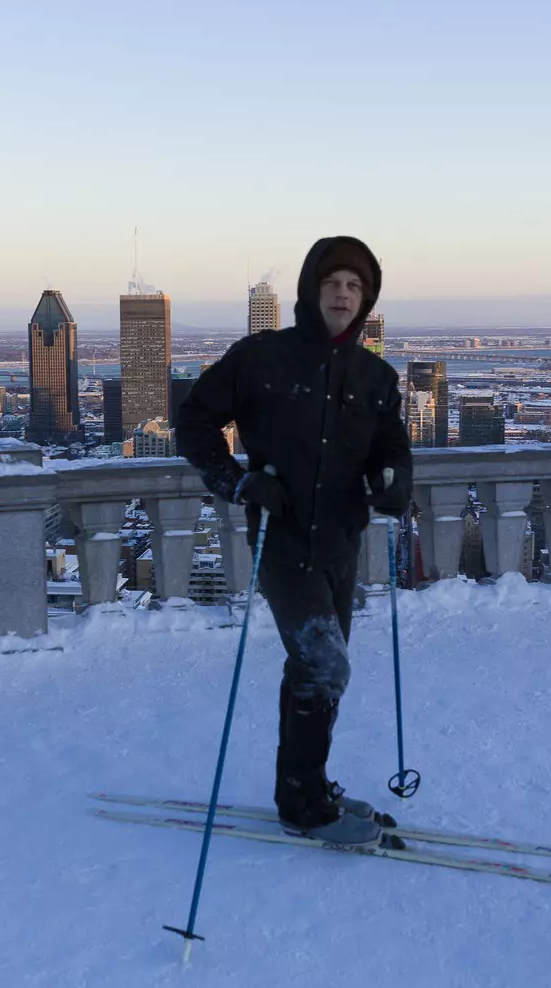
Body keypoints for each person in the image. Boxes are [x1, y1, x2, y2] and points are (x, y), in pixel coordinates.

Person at [175, 236, 412, 846]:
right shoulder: (261, 358)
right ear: (311, 290)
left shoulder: (377, 378)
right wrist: (238, 480)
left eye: (355, 286)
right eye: (333, 282)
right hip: (282, 545)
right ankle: (303, 804)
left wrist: (393, 482)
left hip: (340, 542)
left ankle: (303, 783)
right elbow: (195, 418)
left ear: (366, 301)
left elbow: (394, 449)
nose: (343, 293)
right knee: (325, 662)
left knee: (317, 671)